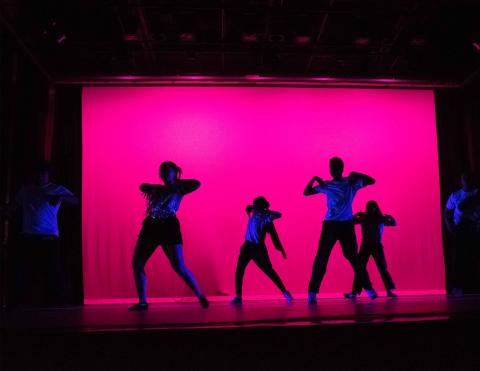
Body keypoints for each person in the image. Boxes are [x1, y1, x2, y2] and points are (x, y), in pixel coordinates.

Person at [130, 161, 209, 310]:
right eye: (162, 171)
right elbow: (142, 186)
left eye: (168, 171)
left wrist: (175, 184)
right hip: (151, 226)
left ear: (174, 172)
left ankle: (199, 294)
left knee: (178, 266)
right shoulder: (158, 189)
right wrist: (153, 188)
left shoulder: (179, 188)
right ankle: (142, 302)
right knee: (137, 263)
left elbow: (196, 183)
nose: (164, 173)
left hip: (169, 226)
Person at [304, 157, 377, 304]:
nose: (333, 170)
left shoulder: (350, 183)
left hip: (346, 226)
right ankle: (312, 292)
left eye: (336, 167)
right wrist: (314, 179)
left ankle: (368, 289)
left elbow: (371, 180)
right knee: (322, 258)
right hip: (330, 225)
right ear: (330, 169)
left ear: (341, 168)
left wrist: (356, 173)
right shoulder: (327, 184)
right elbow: (306, 192)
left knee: (353, 258)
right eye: (332, 167)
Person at [12, 161, 78, 306]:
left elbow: (75, 200)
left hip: (49, 237)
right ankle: (21, 303)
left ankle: (57, 304)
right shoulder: (26, 190)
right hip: (28, 236)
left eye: (43, 173)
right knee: (24, 271)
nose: (40, 176)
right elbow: (14, 206)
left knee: (54, 272)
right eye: (38, 173)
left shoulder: (55, 188)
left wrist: (61, 197)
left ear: (48, 175)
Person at [230, 196, 292, 305]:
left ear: (261, 206)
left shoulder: (266, 216)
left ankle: (285, 292)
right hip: (247, 246)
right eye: (254, 205)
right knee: (239, 270)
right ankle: (238, 296)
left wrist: (267, 210)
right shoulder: (251, 211)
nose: (254, 206)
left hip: (258, 248)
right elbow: (248, 207)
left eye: (256, 205)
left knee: (269, 271)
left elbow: (279, 214)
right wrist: (260, 209)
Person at [344, 200, 397, 299]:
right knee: (360, 269)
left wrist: (390, 217)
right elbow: (350, 223)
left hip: (376, 246)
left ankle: (389, 291)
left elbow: (394, 223)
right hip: (366, 246)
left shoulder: (378, 218)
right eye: (370, 207)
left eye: (373, 207)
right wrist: (356, 215)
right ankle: (354, 293)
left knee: (382, 269)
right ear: (367, 208)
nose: (371, 209)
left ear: (376, 208)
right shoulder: (366, 218)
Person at [444, 172, 480, 297]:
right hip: (460, 228)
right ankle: (457, 286)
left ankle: (474, 284)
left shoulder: (477, 193)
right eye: (463, 179)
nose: (466, 181)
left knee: (475, 255)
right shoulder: (456, 195)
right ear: (461, 181)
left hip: (475, 226)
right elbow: (447, 212)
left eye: (468, 179)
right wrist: (449, 225)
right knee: (459, 257)